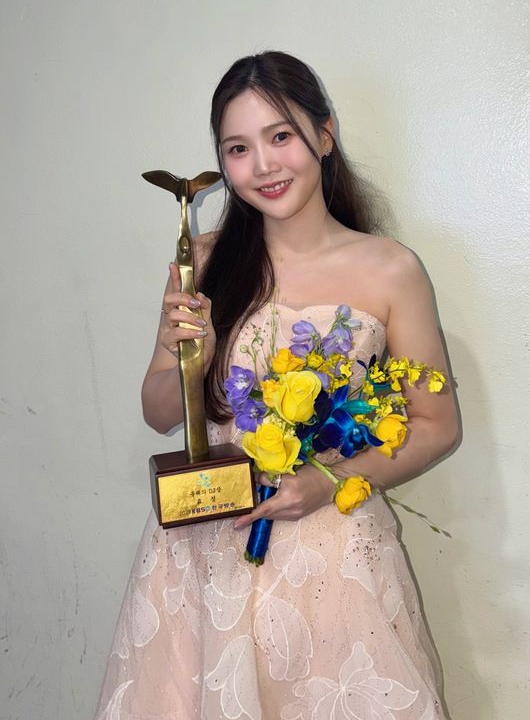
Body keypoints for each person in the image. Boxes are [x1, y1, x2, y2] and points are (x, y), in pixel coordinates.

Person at [95, 51, 458, 720]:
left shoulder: (391, 269)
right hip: (206, 547)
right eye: (238, 148)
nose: (262, 165)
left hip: (333, 557)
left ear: (324, 135)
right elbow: (156, 410)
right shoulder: (204, 261)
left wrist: (329, 479)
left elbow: (437, 425)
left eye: (280, 135)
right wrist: (189, 362)